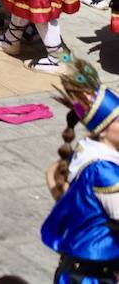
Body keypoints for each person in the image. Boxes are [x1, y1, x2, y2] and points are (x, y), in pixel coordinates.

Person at [44, 56, 119, 284]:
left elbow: (52, 173)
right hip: (93, 276)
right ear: (103, 132)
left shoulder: (86, 157)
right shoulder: (104, 171)